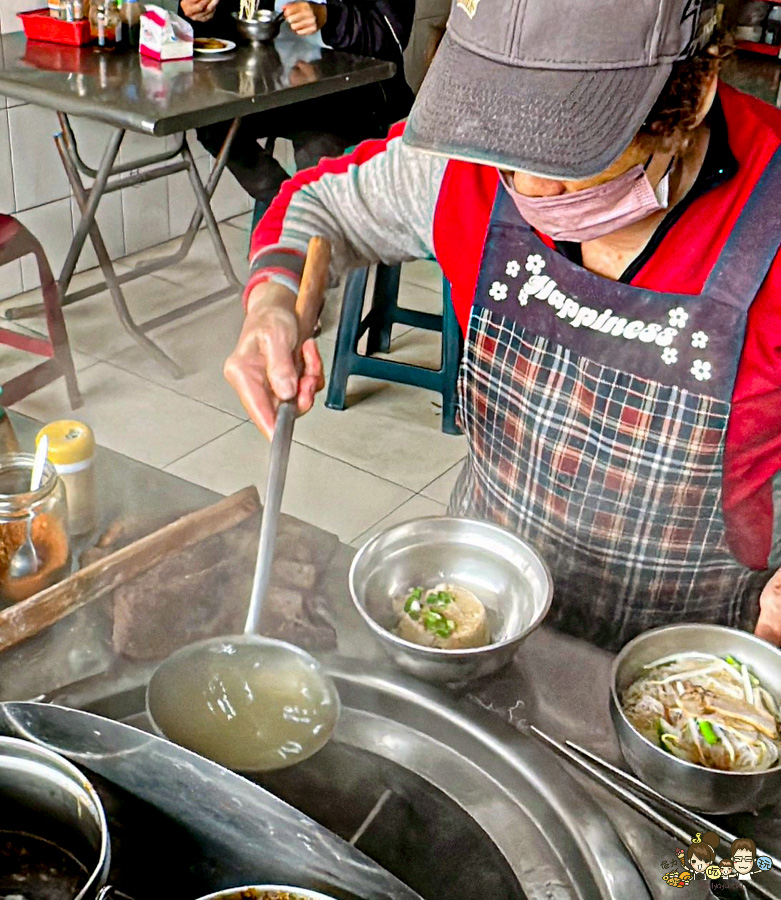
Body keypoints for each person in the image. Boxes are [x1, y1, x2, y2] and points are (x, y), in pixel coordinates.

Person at [224, 0, 781, 650]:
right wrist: (273, 304)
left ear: (688, 100)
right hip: (484, 619)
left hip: (690, 672)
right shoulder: (465, 165)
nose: (530, 190)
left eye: (575, 155)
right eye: (508, 156)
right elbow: (319, 207)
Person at [179, 0, 414, 220]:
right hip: (275, 83)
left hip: (352, 93)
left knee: (319, 158)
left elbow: (391, 36)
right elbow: (235, 22)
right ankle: (290, 209)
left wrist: (328, 18)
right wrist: (198, 13)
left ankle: (313, 228)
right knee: (213, 118)